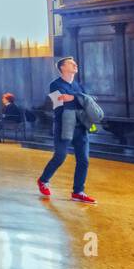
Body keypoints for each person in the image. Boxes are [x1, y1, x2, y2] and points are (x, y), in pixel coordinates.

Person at [37, 57, 95, 203]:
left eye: (75, 62)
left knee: (84, 160)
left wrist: (73, 97)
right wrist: (80, 99)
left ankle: (78, 191)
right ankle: (43, 180)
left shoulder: (78, 85)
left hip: (80, 127)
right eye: (71, 63)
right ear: (62, 67)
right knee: (60, 156)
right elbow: (59, 101)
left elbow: (89, 102)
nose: (75, 64)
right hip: (63, 126)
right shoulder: (54, 84)